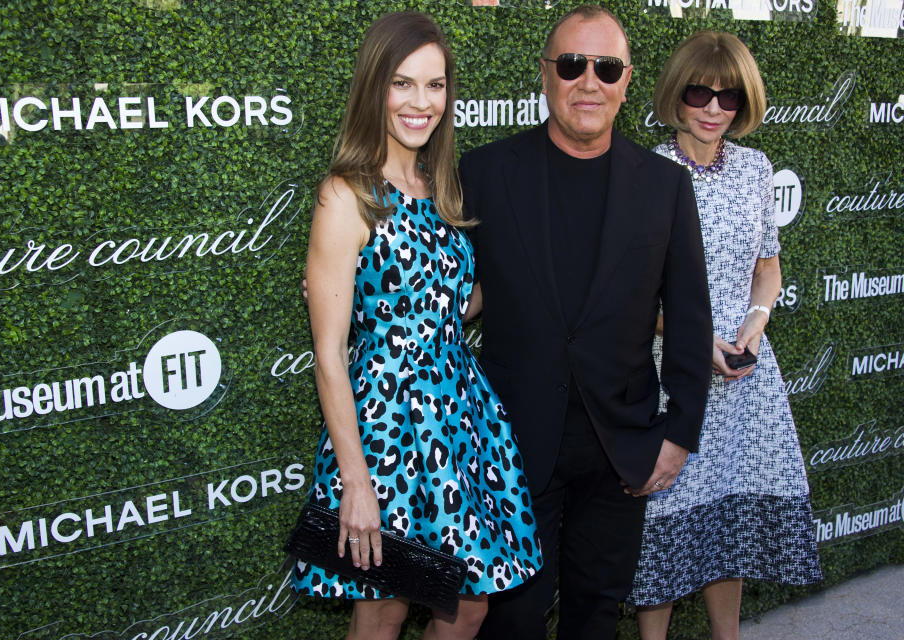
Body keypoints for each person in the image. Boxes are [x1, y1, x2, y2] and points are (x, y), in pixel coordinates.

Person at [460, 5, 714, 639]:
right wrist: (353, 285)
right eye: (572, 65)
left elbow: (688, 317)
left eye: (606, 67)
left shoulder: (664, 186)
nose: (588, 82)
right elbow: (439, 279)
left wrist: (680, 434)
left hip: (619, 447)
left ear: (627, 81)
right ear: (545, 75)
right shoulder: (485, 172)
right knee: (511, 619)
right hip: (509, 445)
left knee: (596, 614)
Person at [290, 11, 543, 640]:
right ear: (375, 87)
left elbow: (447, 303)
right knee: (386, 609)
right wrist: (356, 483)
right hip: (387, 432)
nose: (420, 102)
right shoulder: (345, 195)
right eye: (403, 84)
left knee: (467, 605)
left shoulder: (438, 186)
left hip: (458, 418)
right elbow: (328, 355)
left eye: (435, 86)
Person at [627, 31, 822, 640]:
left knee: (730, 520)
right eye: (698, 92)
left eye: (729, 97)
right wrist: (693, 340)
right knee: (665, 521)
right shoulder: (645, 172)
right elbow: (633, 292)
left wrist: (755, 328)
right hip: (670, 374)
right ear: (674, 95)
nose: (713, 108)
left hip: (744, 376)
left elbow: (768, 266)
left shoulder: (756, 169)